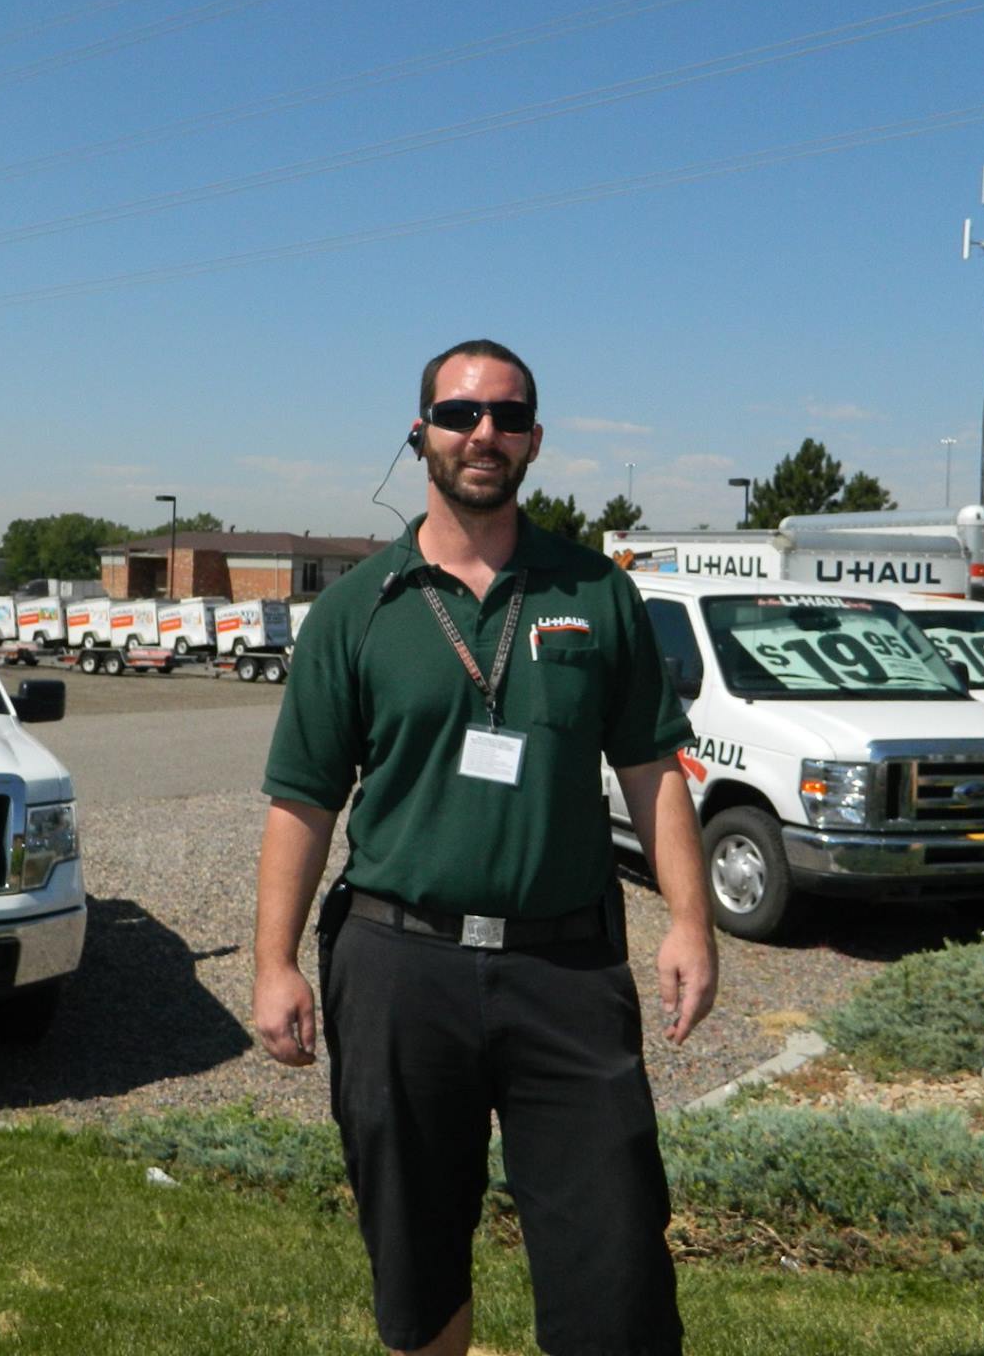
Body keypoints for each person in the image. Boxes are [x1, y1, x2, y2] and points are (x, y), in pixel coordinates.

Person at [253, 338, 718, 1356]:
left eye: (506, 416)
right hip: (399, 965)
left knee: (615, 1265)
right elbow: (303, 801)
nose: (483, 433)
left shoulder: (594, 593)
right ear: (419, 432)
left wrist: (690, 921)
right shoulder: (357, 609)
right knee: (416, 1265)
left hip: (566, 969)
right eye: (460, 414)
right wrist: (273, 961)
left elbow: (652, 770)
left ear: (534, 440)